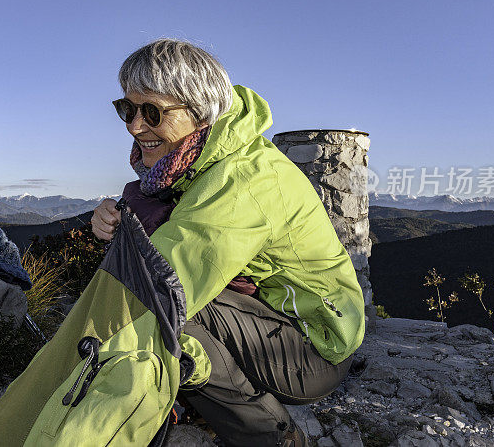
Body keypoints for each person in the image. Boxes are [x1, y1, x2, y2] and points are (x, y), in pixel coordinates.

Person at [91, 39, 365, 447]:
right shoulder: (202, 158)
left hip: (314, 347)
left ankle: (275, 437)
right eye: (127, 109)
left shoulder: (244, 180)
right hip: (273, 320)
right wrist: (113, 221)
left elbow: (155, 283)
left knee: (168, 310)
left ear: (199, 113)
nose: (133, 126)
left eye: (151, 112)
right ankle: (198, 400)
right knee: (164, 302)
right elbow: (168, 226)